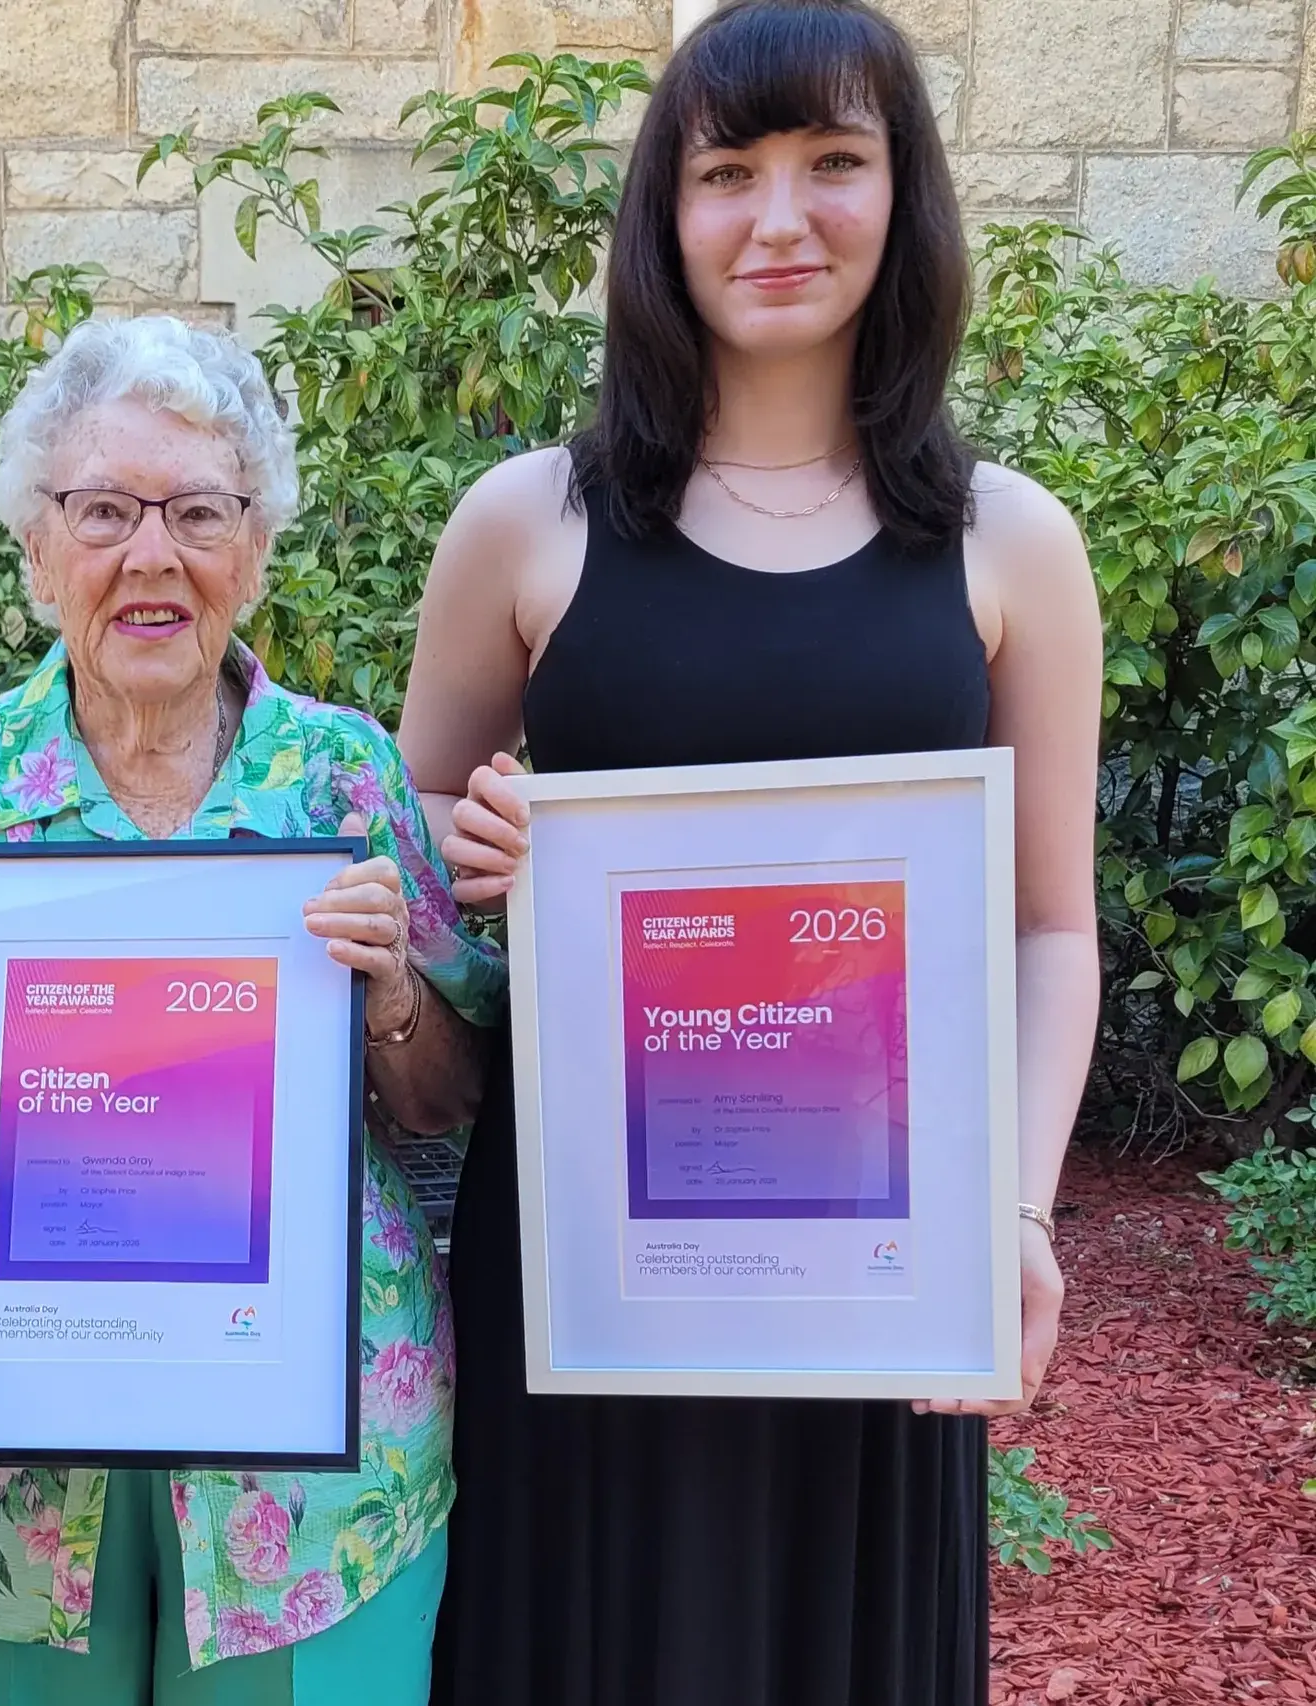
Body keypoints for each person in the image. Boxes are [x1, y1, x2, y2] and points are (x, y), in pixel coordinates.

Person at [402, 4, 1103, 1703]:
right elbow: (405, 827)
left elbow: (1048, 930)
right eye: (729, 172)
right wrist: (475, 838)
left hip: (880, 1255)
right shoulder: (526, 521)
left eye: (834, 164)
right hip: (585, 1266)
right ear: (665, 215)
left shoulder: (1009, 543)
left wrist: (1015, 1214)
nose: (780, 217)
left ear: (905, 196)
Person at [0, 314, 505, 1704]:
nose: (150, 554)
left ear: (256, 546)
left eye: (200, 511)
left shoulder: (340, 782)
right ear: (38, 549)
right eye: (103, 510)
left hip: (316, 1479)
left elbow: (451, 1100)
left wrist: (397, 993)